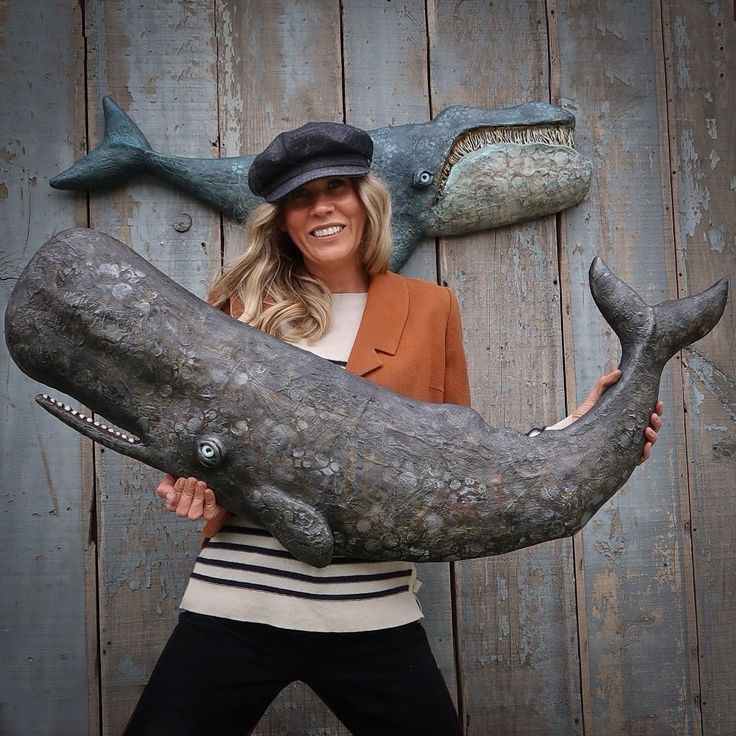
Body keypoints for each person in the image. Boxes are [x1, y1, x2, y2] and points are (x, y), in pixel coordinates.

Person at [124, 121, 663, 736]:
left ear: (365, 201)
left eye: (336, 187)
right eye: (300, 197)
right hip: (233, 608)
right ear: (282, 220)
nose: (321, 206)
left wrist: (586, 425)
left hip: (371, 617)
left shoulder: (430, 307)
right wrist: (186, 484)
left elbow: (462, 463)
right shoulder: (240, 312)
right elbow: (194, 447)